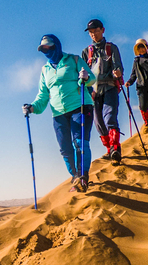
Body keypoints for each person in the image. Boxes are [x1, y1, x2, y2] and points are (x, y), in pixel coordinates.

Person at [24, 34, 95, 192]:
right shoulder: (45, 70)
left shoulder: (73, 60)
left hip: (80, 106)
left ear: (57, 45)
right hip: (58, 114)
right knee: (65, 148)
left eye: (49, 46)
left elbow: (91, 79)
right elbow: (42, 97)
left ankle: (83, 177)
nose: (47, 50)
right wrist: (32, 107)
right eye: (44, 48)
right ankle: (75, 176)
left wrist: (84, 77)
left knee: (80, 143)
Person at [84, 19, 124, 163]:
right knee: (98, 122)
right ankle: (109, 149)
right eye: (91, 32)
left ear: (103, 30)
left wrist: (117, 72)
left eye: (96, 31)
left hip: (110, 87)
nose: (93, 34)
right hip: (93, 92)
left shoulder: (111, 48)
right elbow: (83, 73)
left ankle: (115, 148)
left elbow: (118, 65)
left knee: (109, 117)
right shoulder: (86, 52)